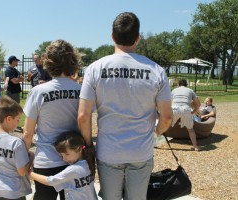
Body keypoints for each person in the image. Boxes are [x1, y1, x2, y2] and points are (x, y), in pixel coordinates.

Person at [78, 12, 173, 200]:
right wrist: (156, 133)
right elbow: (167, 117)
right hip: (141, 151)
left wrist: (88, 145)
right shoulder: (156, 70)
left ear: (112, 36)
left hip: (108, 151)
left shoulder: (95, 69)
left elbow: (83, 116)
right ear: (138, 38)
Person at [23, 39, 82, 200]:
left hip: (46, 160)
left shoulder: (38, 92)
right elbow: (85, 121)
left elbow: (28, 132)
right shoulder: (81, 90)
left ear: (48, 62)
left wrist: (22, 158)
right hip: (74, 158)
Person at [0, 96, 34, 200]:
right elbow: (22, 171)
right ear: (9, 119)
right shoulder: (15, 143)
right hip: (14, 193)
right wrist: (31, 157)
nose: (18, 123)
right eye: (17, 119)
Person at [29, 131, 98, 200]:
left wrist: (30, 173)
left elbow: (50, 181)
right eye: (62, 155)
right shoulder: (87, 163)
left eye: (67, 154)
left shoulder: (73, 169)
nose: (64, 158)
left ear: (79, 149)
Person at [171, 79, 201, 151]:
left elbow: (169, 101)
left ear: (178, 84)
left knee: (164, 124)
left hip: (175, 108)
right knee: (190, 129)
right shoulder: (190, 91)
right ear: (186, 84)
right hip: (186, 108)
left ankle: (152, 142)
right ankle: (195, 147)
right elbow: (198, 104)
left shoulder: (174, 90)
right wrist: (194, 111)